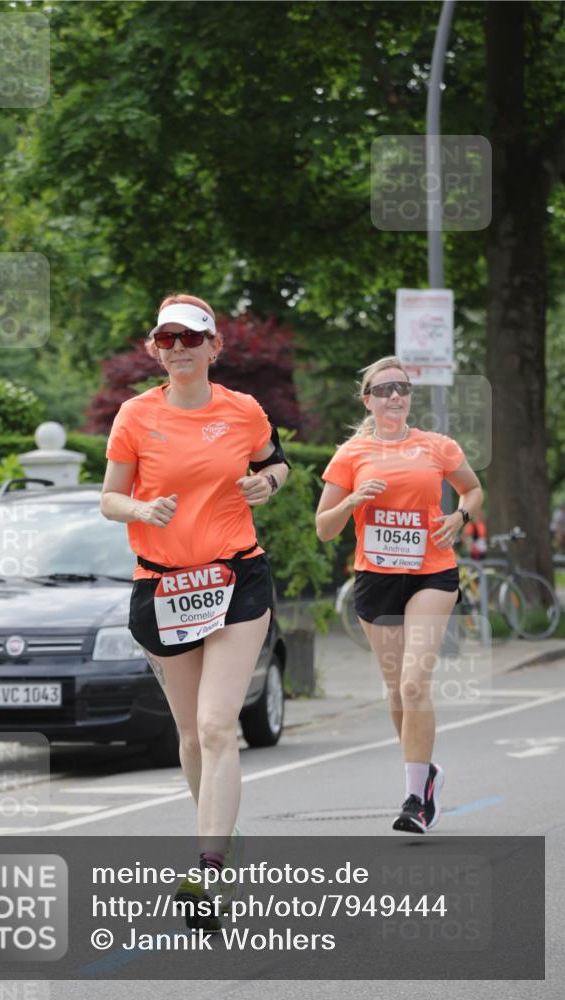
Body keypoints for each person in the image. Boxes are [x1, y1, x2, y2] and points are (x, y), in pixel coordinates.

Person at [101, 294, 289, 926]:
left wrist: (269, 484)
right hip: (163, 586)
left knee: (216, 726)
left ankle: (208, 869)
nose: (178, 347)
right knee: (188, 734)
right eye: (166, 338)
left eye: (191, 338)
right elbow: (109, 498)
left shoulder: (243, 411)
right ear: (156, 348)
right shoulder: (134, 415)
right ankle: (223, 843)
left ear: (214, 347)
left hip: (236, 578)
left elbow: (277, 464)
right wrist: (139, 509)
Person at [316, 357, 483, 834]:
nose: (395, 396)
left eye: (402, 388)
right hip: (376, 578)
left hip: (432, 572)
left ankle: (415, 799)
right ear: (367, 399)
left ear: (409, 398)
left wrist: (460, 517)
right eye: (384, 388)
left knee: (413, 684)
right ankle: (424, 773)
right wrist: (352, 500)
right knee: (395, 691)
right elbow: (324, 529)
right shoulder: (350, 454)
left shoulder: (437, 446)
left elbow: (471, 490)